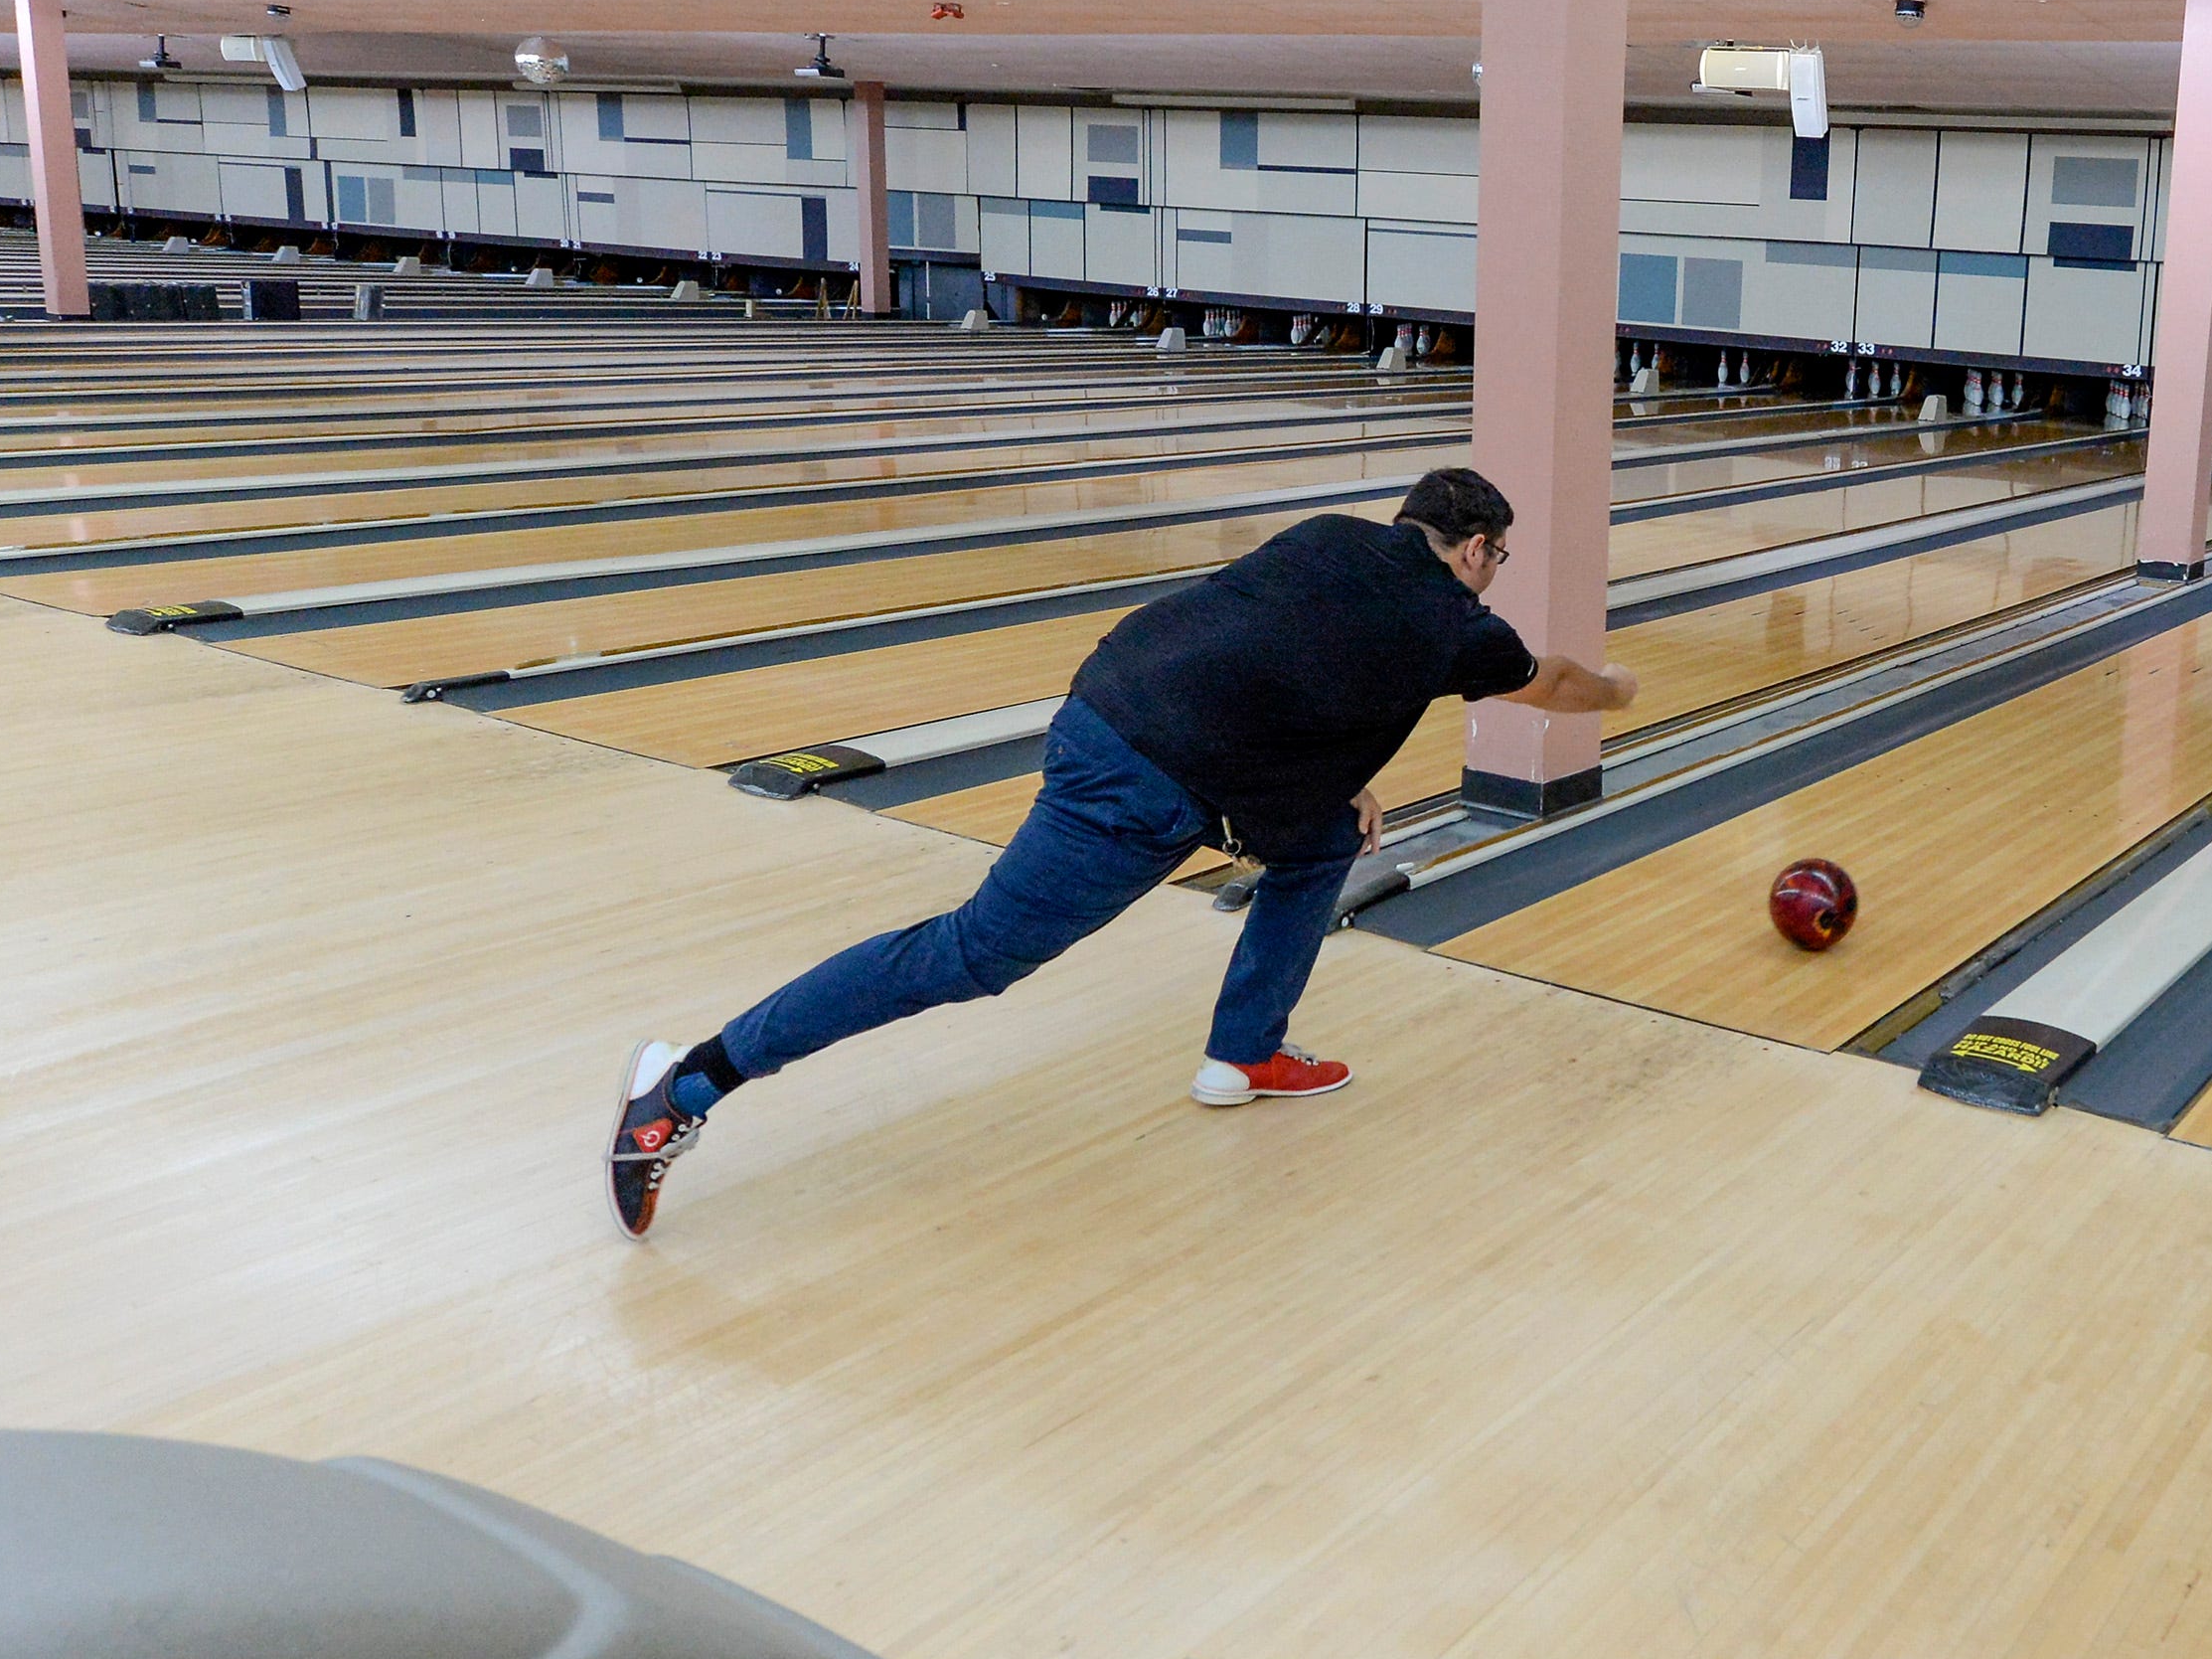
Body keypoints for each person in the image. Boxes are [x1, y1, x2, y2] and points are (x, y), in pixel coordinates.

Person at [607, 466, 1637, 1239]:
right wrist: (1617, 690)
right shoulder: (1456, 624)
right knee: (970, 954)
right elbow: (1551, 683)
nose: (1494, 576)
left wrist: (1335, 774)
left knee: (1326, 839)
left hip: (1117, 700)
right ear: (1475, 548)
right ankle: (683, 1087)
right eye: (1499, 558)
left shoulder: (1327, 537)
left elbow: (1282, 656)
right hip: (1141, 781)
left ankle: (1245, 1051)